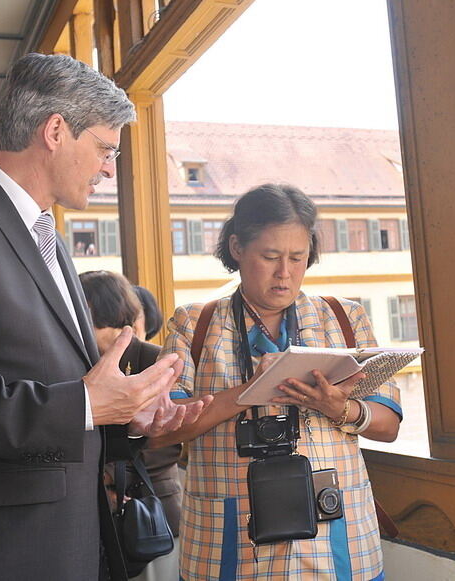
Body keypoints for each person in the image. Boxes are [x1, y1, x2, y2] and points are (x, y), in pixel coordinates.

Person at [0, 53, 208, 581]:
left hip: (56, 542)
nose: (108, 167)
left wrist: (123, 416)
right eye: (104, 148)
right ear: (56, 130)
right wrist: (82, 403)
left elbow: (47, 388)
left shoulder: (46, 237)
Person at [155, 184, 403, 580]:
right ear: (236, 248)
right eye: (270, 257)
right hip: (229, 539)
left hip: (336, 540)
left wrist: (341, 409)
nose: (284, 273)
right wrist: (251, 389)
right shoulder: (194, 325)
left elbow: (388, 425)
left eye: (298, 257)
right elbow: (163, 430)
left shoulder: (344, 319)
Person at [79, 271, 182, 580]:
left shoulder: (153, 359)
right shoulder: (81, 361)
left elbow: (167, 440)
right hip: (98, 514)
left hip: (150, 510)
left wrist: (115, 480)